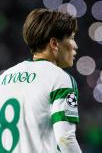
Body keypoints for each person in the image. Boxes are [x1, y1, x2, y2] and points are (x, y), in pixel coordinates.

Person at [0, 8, 82, 153]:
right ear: (54, 44)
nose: (76, 46)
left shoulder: (3, 78)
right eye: (72, 38)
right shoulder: (60, 79)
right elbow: (65, 139)